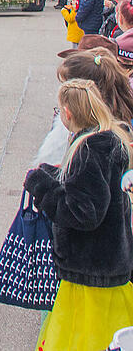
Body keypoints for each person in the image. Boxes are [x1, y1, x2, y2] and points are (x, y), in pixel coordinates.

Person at [25, 79, 133, 351]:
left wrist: (42, 186)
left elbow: (84, 212)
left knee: (83, 340)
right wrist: (53, 174)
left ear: (68, 112)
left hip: (88, 273)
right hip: (111, 266)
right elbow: (93, 191)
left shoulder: (88, 150)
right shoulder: (109, 140)